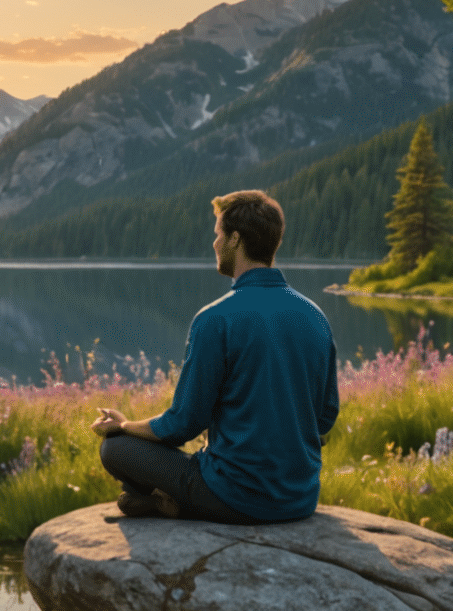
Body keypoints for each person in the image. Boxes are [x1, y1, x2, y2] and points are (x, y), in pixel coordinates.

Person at [91, 190, 339, 523]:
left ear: (236, 240)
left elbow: (182, 425)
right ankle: (170, 504)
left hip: (234, 497)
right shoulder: (315, 316)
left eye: (218, 234)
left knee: (115, 448)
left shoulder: (215, 319)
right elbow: (324, 418)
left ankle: (168, 501)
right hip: (300, 499)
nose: (214, 243)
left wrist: (124, 425)